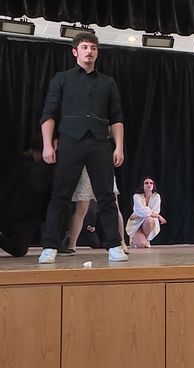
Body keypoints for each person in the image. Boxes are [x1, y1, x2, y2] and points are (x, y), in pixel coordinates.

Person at [38, 32, 128, 263]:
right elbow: (49, 114)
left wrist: (119, 147)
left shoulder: (108, 82)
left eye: (93, 48)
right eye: (85, 47)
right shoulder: (62, 79)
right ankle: (50, 246)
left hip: (99, 142)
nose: (90, 51)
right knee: (61, 194)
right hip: (70, 140)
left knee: (106, 195)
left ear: (97, 52)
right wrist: (48, 145)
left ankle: (114, 246)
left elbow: (116, 117)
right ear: (75, 51)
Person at [0, 137, 53, 257]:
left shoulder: (47, 167)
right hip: (14, 208)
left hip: (29, 214)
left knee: (19, 249)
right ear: (34, 151)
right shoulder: (19, 164)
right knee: (18, 249)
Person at [65, 167, 128, 253]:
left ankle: (122, 243)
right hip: (86, 170)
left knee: (114, 207)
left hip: (104, 168)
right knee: (81, 209)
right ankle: (71, 245)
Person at [125, 177, 166, 248]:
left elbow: (155, 211)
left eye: (151, 183)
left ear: (153, 186)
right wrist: (158, 216)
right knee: (141, 245)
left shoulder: (156, 196)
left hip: (147, 222)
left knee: (149, 219)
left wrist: (139, 213)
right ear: (142, 186)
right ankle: (134, 239)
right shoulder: (137, 196)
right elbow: (140, 211)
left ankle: (147, 239)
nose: (149, 184)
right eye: (146, 183)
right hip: (136, 223)